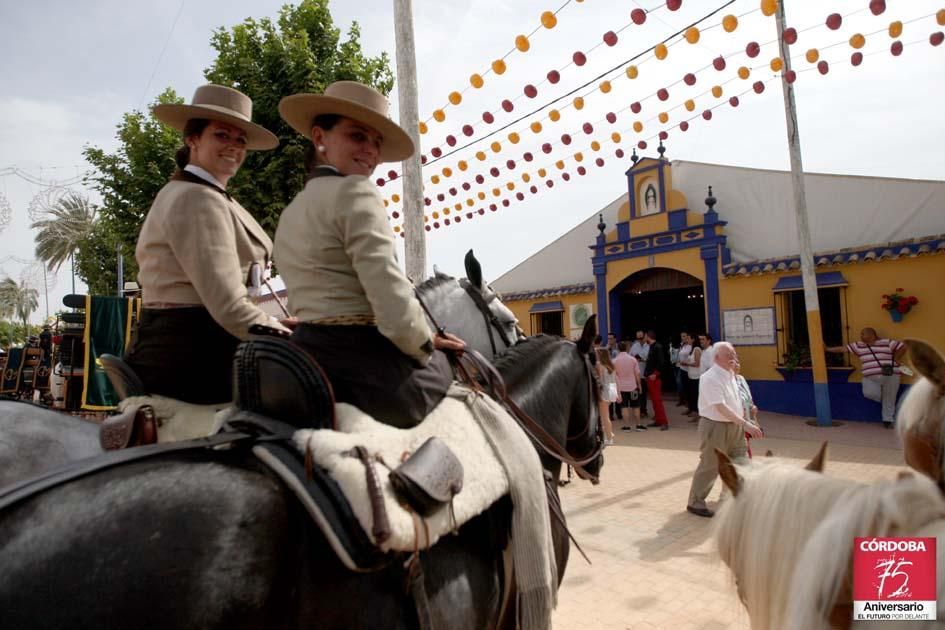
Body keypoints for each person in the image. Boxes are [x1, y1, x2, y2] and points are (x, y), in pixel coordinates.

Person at [274, 81, 465, 429]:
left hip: (301, 356)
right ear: (320, 137)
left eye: (376, 142)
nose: (370, 151)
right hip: (359, 365)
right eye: (358, 136)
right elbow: (391, 301)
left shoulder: (293, 209)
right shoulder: (356, 192)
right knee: (454, 374)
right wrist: (427, 346)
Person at [125, 84, 291, 405]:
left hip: (202, 340)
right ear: (193, 139)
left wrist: (276, 323)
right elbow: (228, 307)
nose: (234, 146)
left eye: (240, 139)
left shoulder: (205, 193)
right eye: (222, 135)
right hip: (192, 354)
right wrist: (292, 337)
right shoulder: (197, 198)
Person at [686, 342, 763, 518]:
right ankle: (695, 502)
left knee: (742, 461)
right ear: (716, 358)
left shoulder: (731, 376)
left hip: (735, 426)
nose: (733, 358)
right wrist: (746, 424)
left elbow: (737, 401)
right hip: (716, 427)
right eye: (729, 355)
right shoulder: (710, 377)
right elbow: (720, 407)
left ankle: (742, 498)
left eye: (734, 354)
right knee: (710, 465)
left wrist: (748, 418)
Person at [826, 328, 905, 428]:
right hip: (870, 375)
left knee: (890, 397)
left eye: (863, 334)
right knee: (870, 393)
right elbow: (843, 349)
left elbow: (903, 346)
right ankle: (886, 401)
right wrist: (827, 349)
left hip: (890, 371)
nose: (861, 336)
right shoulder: (859, 345)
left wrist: (896, 358)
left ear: (871, 335)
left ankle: (887, 420)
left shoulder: (887, 342)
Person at [733, 360, 760, 458]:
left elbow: (748, 394)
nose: (737, 366)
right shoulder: (727, 381)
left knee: (745, 442)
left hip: (747, 416)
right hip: (736, 418)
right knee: (741, 445)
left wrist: (752, 406)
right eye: (733, 363)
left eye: (738, 363)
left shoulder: (741, 378)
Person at [643, 330, 669, 430]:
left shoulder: (657, 347)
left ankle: (664, 422)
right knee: (654, 400)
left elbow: (662, 363)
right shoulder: (652, 347)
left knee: (657, 400)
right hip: (650, 377)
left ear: (648, 336)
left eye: (645, 336)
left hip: (654, 378)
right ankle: (658, 420)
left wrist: (655, 374)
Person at [614, 341, 644, 431]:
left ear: (618, 349)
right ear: (627, 348)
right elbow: (637, 374)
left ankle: (627, 426)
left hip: (621, 388)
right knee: (636, 406)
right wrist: (640, 386)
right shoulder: (633, 359)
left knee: (624, 407)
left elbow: (614, 375)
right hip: (633, 387)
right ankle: (638, 425)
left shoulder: (614, 361)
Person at [595, 348, 619, 445]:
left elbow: (600, 381)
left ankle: (609, 438)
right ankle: (610, 434)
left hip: (604, 391)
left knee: (605, 417)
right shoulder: (612, 365)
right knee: (606, 415)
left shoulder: (600, 366)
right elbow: (615, 379)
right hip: (612, 390)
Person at [630, 330, 650, 417]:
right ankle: (638, 409)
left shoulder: (649, 346)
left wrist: (643, 360)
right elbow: (629, 357)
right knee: (636, 393)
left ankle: (643, 410)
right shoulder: (634, 346)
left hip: (645, 373)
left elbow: (651, 359)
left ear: (645, 336)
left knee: (644, 393)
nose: (640, 340)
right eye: (638, 338)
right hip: (636, 374)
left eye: (641, 338)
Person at [674, 332, 692, 407]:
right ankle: (681, 400)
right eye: (681, 336)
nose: (683, 338)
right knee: (679, 384)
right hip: (681, 367)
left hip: (689, 368)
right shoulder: (682, 345)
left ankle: (688, 402)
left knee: (687, 385)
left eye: (684, 336)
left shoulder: (691, 346)